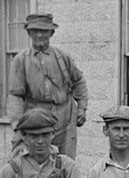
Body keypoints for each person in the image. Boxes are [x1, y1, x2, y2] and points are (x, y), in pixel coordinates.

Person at [7, 13, 88, 157]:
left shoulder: (63, 57)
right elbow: (16, 96)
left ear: (51, 33)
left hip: (64, 115)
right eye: (35, 31)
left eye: (44, 31)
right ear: (29, 33)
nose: (39, 35)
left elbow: (79, 82)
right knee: (30, 159)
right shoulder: (21, 60)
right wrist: (17, 124)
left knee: (65, 161)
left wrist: (82, 107)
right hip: (35, 116)